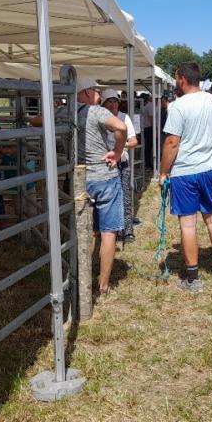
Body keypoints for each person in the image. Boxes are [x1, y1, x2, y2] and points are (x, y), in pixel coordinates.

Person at [160, 62, 212, 293]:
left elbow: (172, 142)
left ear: (182, 79)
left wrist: (163, 172)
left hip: (184, 172)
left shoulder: (178, 106)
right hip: (209, 168)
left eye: (175, 78)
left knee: (188, 224)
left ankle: (193, 278)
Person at [74, 76, 128, 297]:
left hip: (79, 177)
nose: (99, 95)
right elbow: (121, 126)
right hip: (104, 176)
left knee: (81, 229)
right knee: (108, 232)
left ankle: (79, 277)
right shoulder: (96, 111)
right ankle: (103, 286)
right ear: (87, 92)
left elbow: (36, 121)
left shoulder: (63, 112)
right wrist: (117, 151)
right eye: (96, 91)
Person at [102, 88, 138, 243]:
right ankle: (111, 230)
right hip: (105, 165)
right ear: (103, 104)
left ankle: (127, 231)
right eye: (109, 101)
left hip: (121, 163)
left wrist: (119, 148)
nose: (113, 104)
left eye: (115, 101)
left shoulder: (124, 117)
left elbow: (134, 141)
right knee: (107, 199)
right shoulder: (99, 118)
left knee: (125, 196)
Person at [141, 93, 154, 168]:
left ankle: (147, 163)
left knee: (147, 147)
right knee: (150, 147)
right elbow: (151, 118)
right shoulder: (150, 106)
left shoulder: (144, 106)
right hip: (150, 128)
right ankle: (149, 163)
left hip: (145, 128)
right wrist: (154, 129)